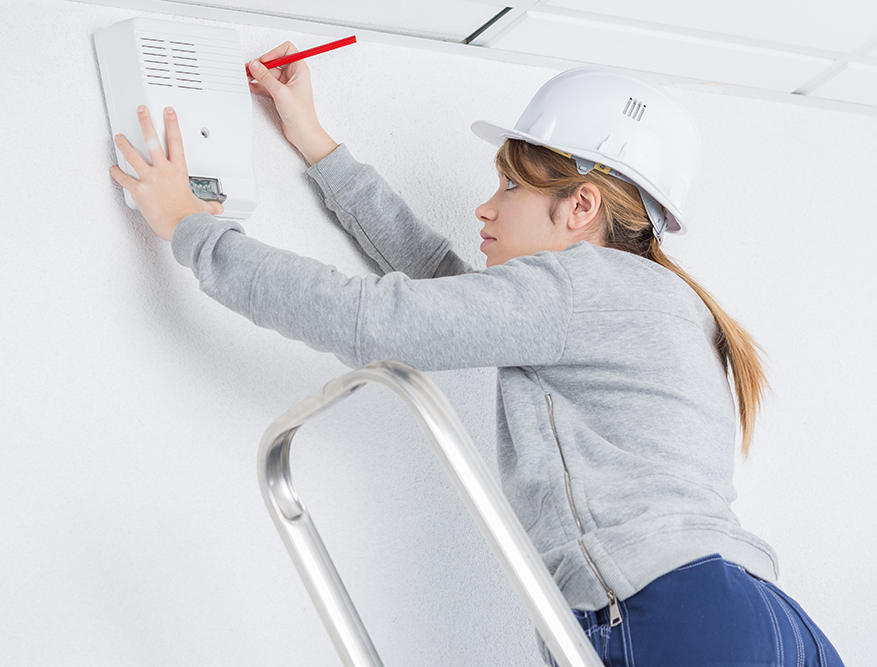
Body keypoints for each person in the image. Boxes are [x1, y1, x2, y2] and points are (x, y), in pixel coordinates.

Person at [109, 42, 844, 667]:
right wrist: (319, 147)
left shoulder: (584, 288)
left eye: (509, 185)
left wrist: (191, 231)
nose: (484, 208)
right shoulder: (645, 297)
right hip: (749, 615)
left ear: (580, 207)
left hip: (675, 618)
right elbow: (444, 291)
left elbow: (376, 320)